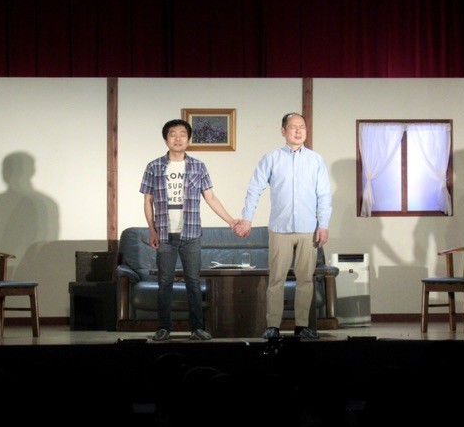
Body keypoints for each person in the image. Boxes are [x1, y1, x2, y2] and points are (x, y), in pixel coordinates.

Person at [234, 112, 332, 340]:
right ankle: (273, 326)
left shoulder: (316, 160)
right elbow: (254, 189)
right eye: (293, 127)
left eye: (302, 127)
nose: (298, 131)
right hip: (280, 228)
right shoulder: (271, 158)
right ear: (283, 131)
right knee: (276, 279)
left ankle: (301, 326)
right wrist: (247, 219)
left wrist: (323, 224)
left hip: (309, 229)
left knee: (305, 279)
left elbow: (324, 195)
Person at [140, 119, 238, 341]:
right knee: (164, 283)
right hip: (164, 234)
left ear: (188, 139)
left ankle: (197, 328)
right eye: (172, 134)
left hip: (191, 234)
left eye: (182, 134)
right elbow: (148, 201)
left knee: (193, 282)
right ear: (166, 139)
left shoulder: (198, 166)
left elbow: (211, 197)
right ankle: (164, 328)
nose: (177, 138)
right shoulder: (154, 166)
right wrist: (152, 230)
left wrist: (231, 221)